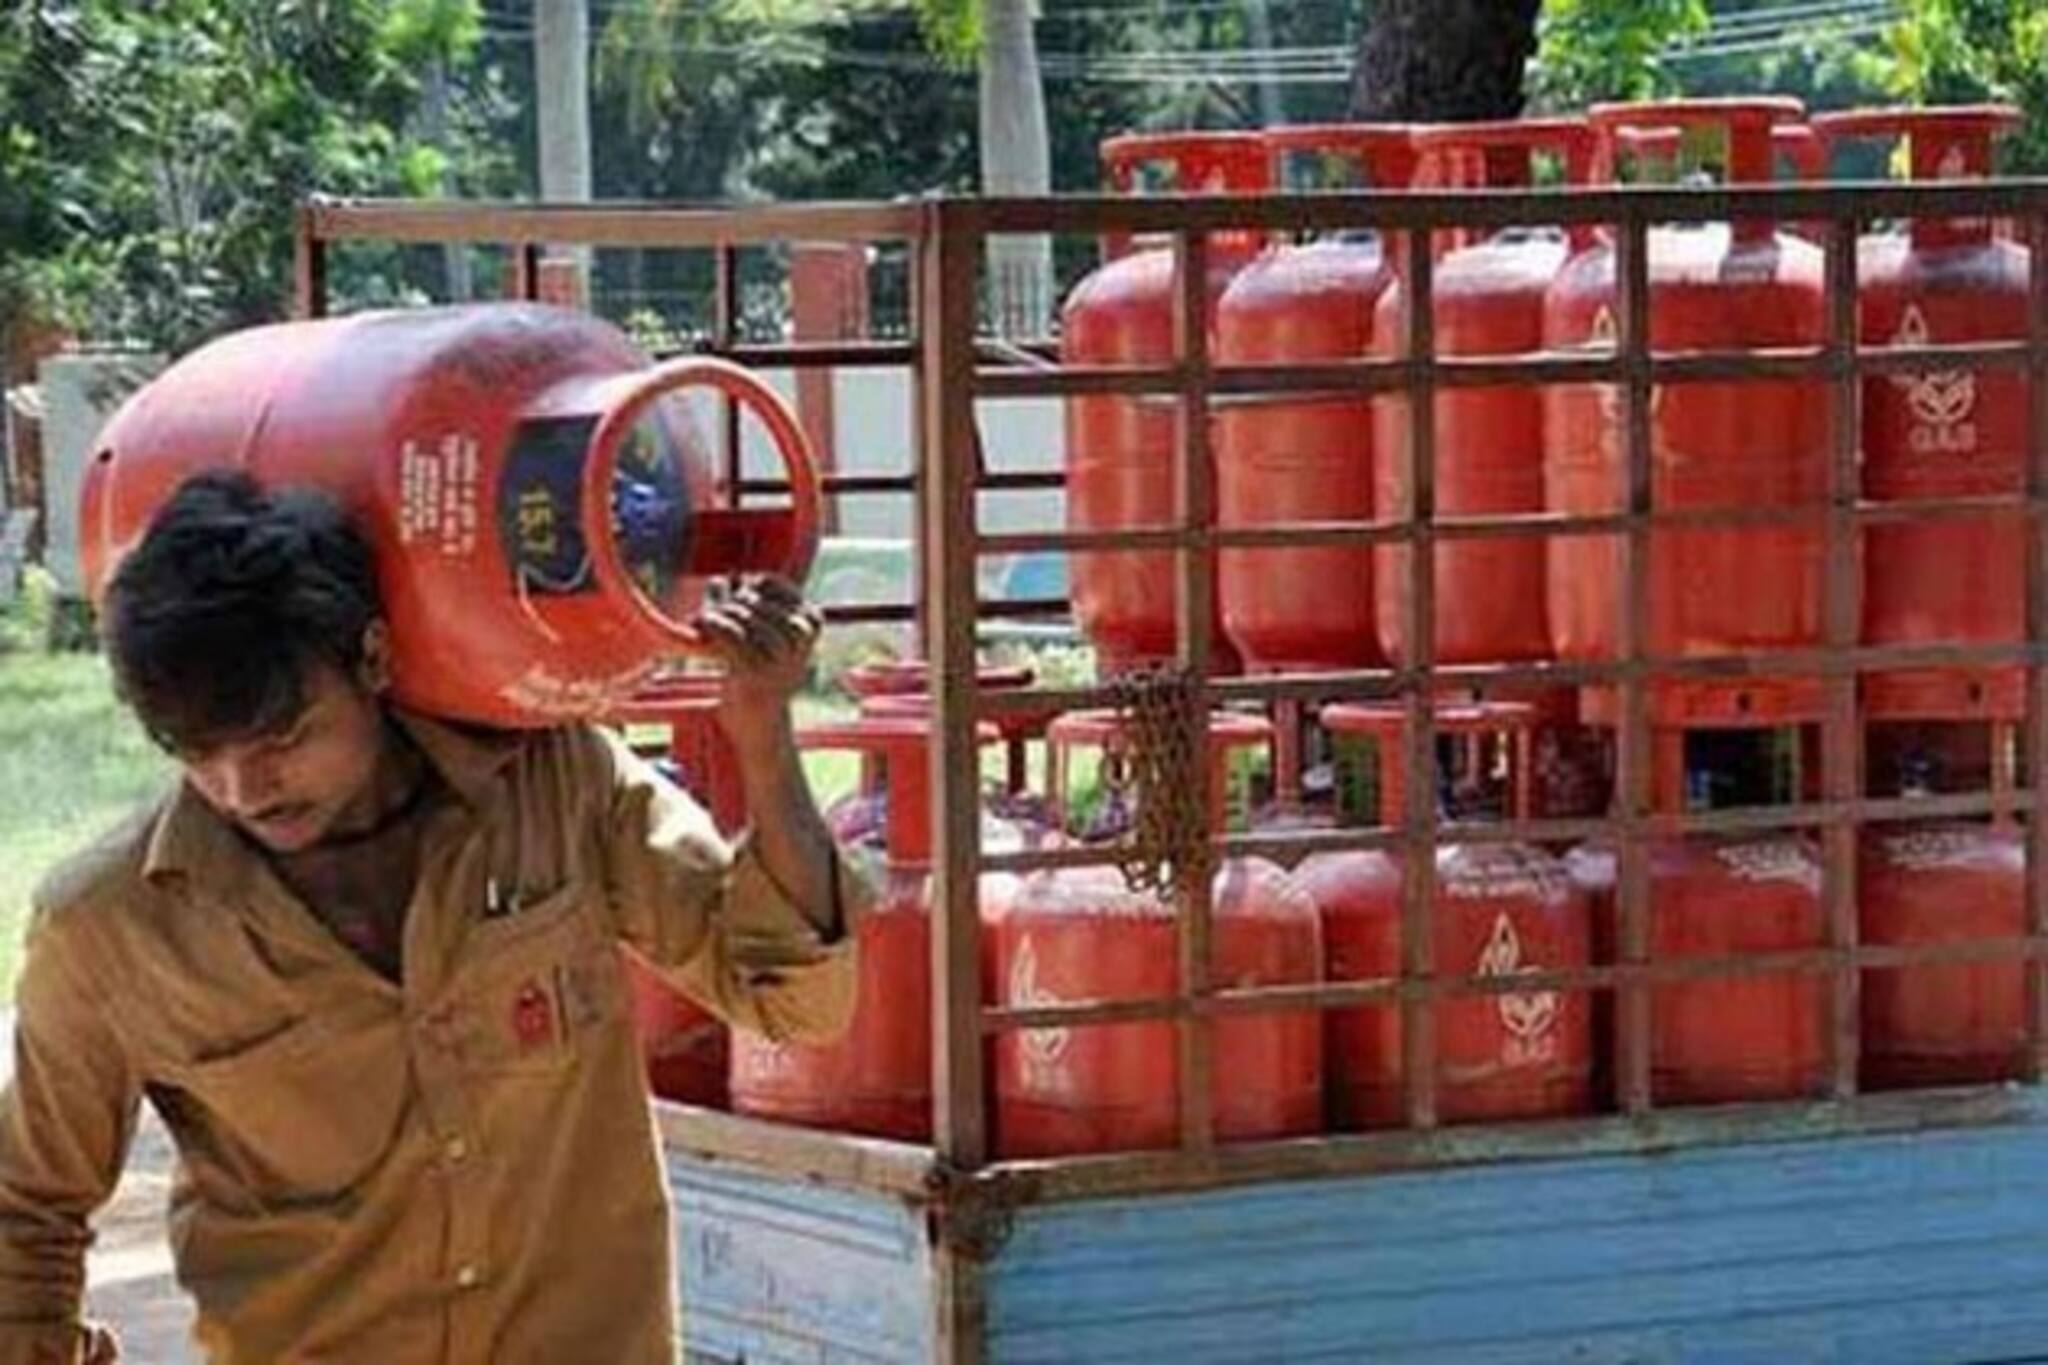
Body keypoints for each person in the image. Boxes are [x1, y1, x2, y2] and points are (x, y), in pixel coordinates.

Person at [0, 470, 865, 1363]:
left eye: (282, 739)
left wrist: (761, 730)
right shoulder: (109, 928)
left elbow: (794, 999)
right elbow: (25, 1211)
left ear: (372, 658)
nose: (242, 788)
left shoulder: (555, 785)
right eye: (197, 754)